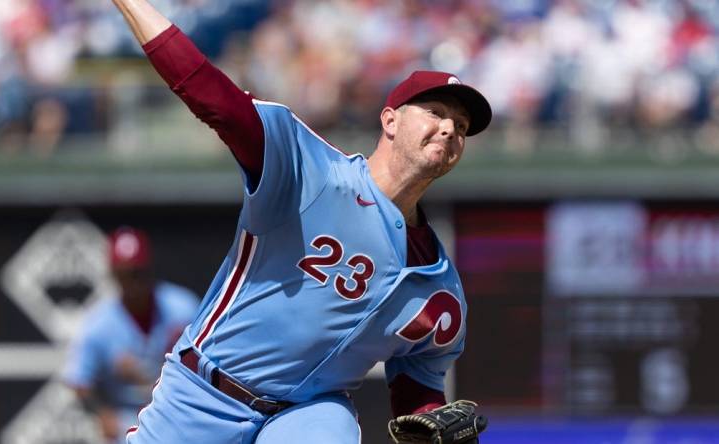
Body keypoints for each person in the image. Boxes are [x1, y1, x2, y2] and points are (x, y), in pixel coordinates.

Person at [111, 1, 493, 443]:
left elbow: (418, 393)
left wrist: (428, 424)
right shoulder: (311, 172)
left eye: (461, 125)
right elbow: (211, 95)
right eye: (435, 112)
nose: (450, 129)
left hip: (308, 414)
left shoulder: (440, 292)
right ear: (390, 120)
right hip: (205, 393)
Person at [62, 226, 199, 444]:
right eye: (124, 275)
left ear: (149, 269)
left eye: (138, 273)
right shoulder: (99, 323)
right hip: (126, 417)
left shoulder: (182, 308)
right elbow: (79, 381)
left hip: (178, 412)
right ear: (113, 275)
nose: (133, 283)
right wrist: (103, 413)